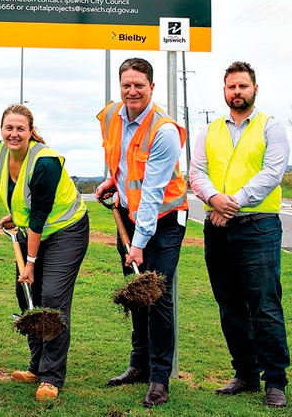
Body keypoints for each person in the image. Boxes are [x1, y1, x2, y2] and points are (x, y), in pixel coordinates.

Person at [189, 61, 291, 409]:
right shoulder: (210, 130)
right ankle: (245, 374)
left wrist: (232, 203)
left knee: (264, 305)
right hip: (217, 228)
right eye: (232, 87)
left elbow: (272, 172)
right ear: (224, 91)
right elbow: (197, 172)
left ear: (255, 89)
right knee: (230, 306)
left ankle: (275, 380)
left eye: (243, 86)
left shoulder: (270, 128)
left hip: (258, 226)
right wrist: (213, 199)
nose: (237, 92)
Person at [94, 58, 189, 408]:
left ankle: (159, 378)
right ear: (120, 87)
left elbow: (151, 191)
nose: (132, 91)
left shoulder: (163, 130)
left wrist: (137, 244)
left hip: (164, 219)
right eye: (126, 85)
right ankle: (138, 365)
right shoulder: (111, 116)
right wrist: (111, 180)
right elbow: (120, 160)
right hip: (130, 216)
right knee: (136, 295)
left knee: (157, 296)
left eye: (139, 85)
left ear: (151, 87)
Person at [0, 104, 89, 401]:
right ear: (1, 130)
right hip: (32, 230)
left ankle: (51, 376)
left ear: (30, 131)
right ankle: (36, 366)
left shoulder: (46, 162)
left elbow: (40, 215)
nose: (14, 134)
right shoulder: (0, 152)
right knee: (26, 294)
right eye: (9, 128)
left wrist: (31, 262)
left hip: (66, 231)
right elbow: (20, 197)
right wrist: (15, 216)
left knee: (52, 299)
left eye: (20, 129)